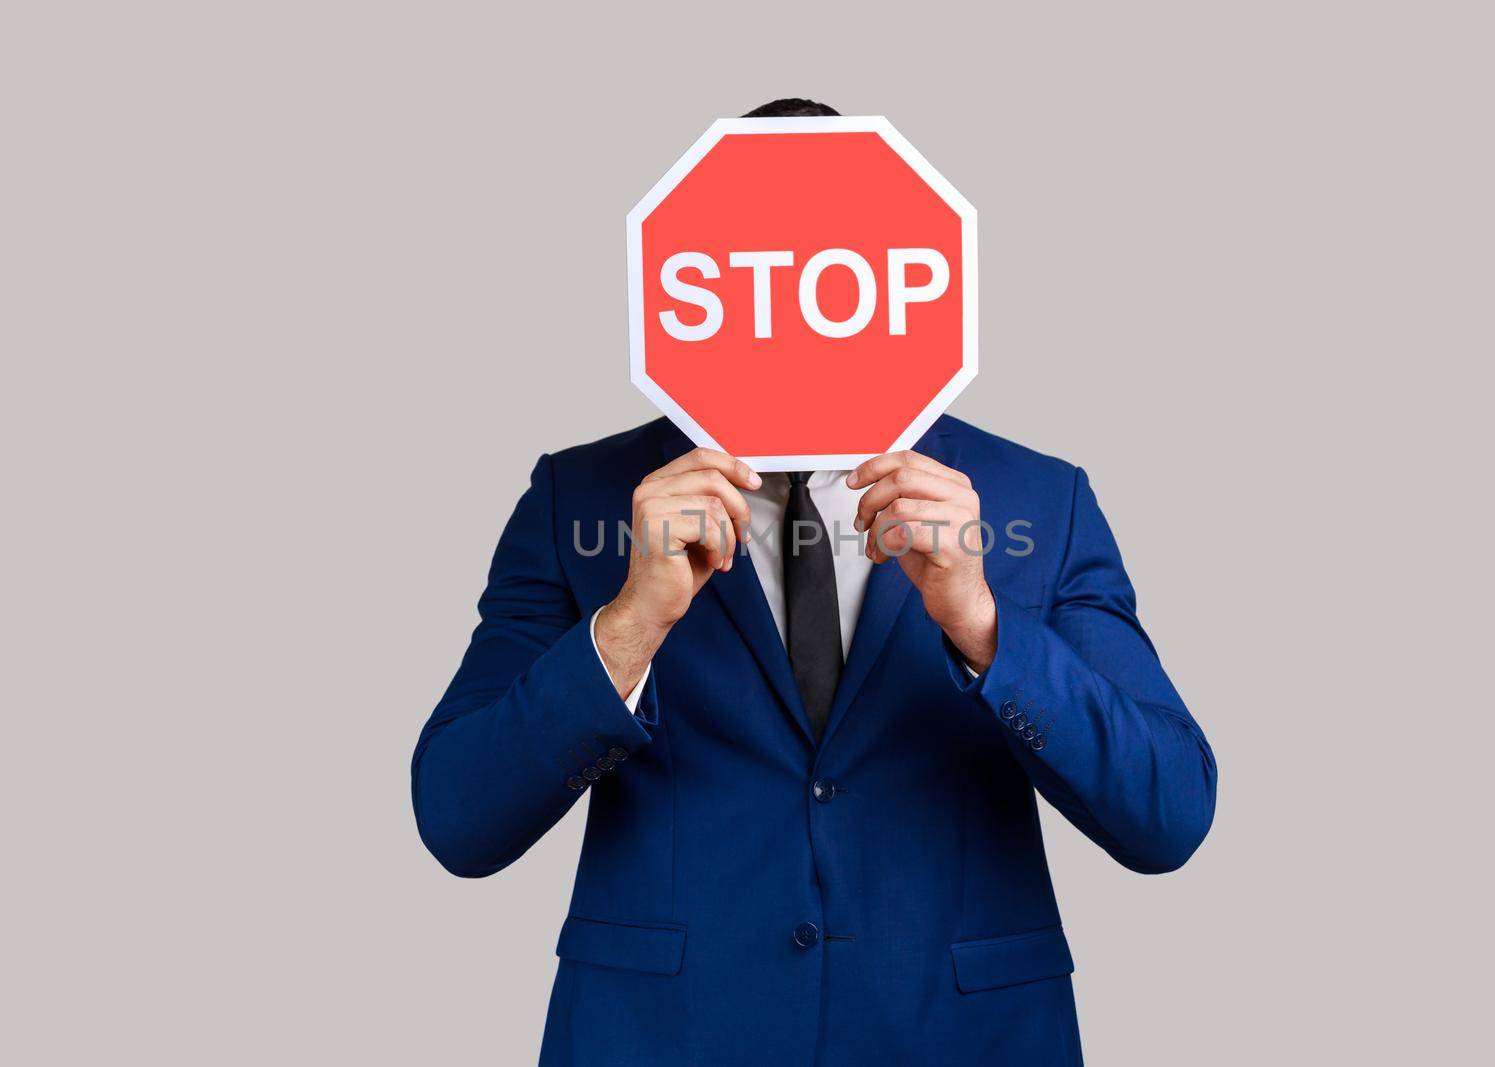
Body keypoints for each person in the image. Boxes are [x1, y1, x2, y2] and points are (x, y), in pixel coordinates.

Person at [411, 98, 1217, 1067]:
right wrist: (626, 626)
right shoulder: (580, 497)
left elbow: (1167, 814)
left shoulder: (1038, 500)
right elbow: (459, 820)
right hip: (663, 1039)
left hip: (961, 1036)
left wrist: (984, 625)